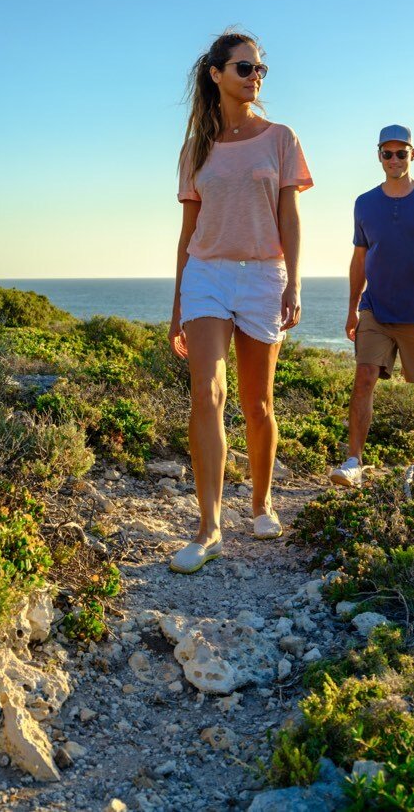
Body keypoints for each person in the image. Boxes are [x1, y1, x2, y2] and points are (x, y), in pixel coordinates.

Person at [167, 31, 313, 573]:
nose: (255, 77)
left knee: (258, 403)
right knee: (206, 394)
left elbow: (290, 218)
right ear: (216, 74)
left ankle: (262, 502)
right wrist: (178, 301)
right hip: (206, 273)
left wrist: (293, 284)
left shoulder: (280, 138)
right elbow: (187, 231)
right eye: (245, 68)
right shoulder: (196, 149)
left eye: (260, 70)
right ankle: (208, 529)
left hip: (262, 276)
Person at [332, 124, 414, 487]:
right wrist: (353, 307)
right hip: (376, 310)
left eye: (400, 153)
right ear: (378, 156)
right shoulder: (364, 202)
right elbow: (359, 260)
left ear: (412, 155)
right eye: (386, 153)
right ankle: (353, 461)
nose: (393, 159)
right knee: (364, 378)